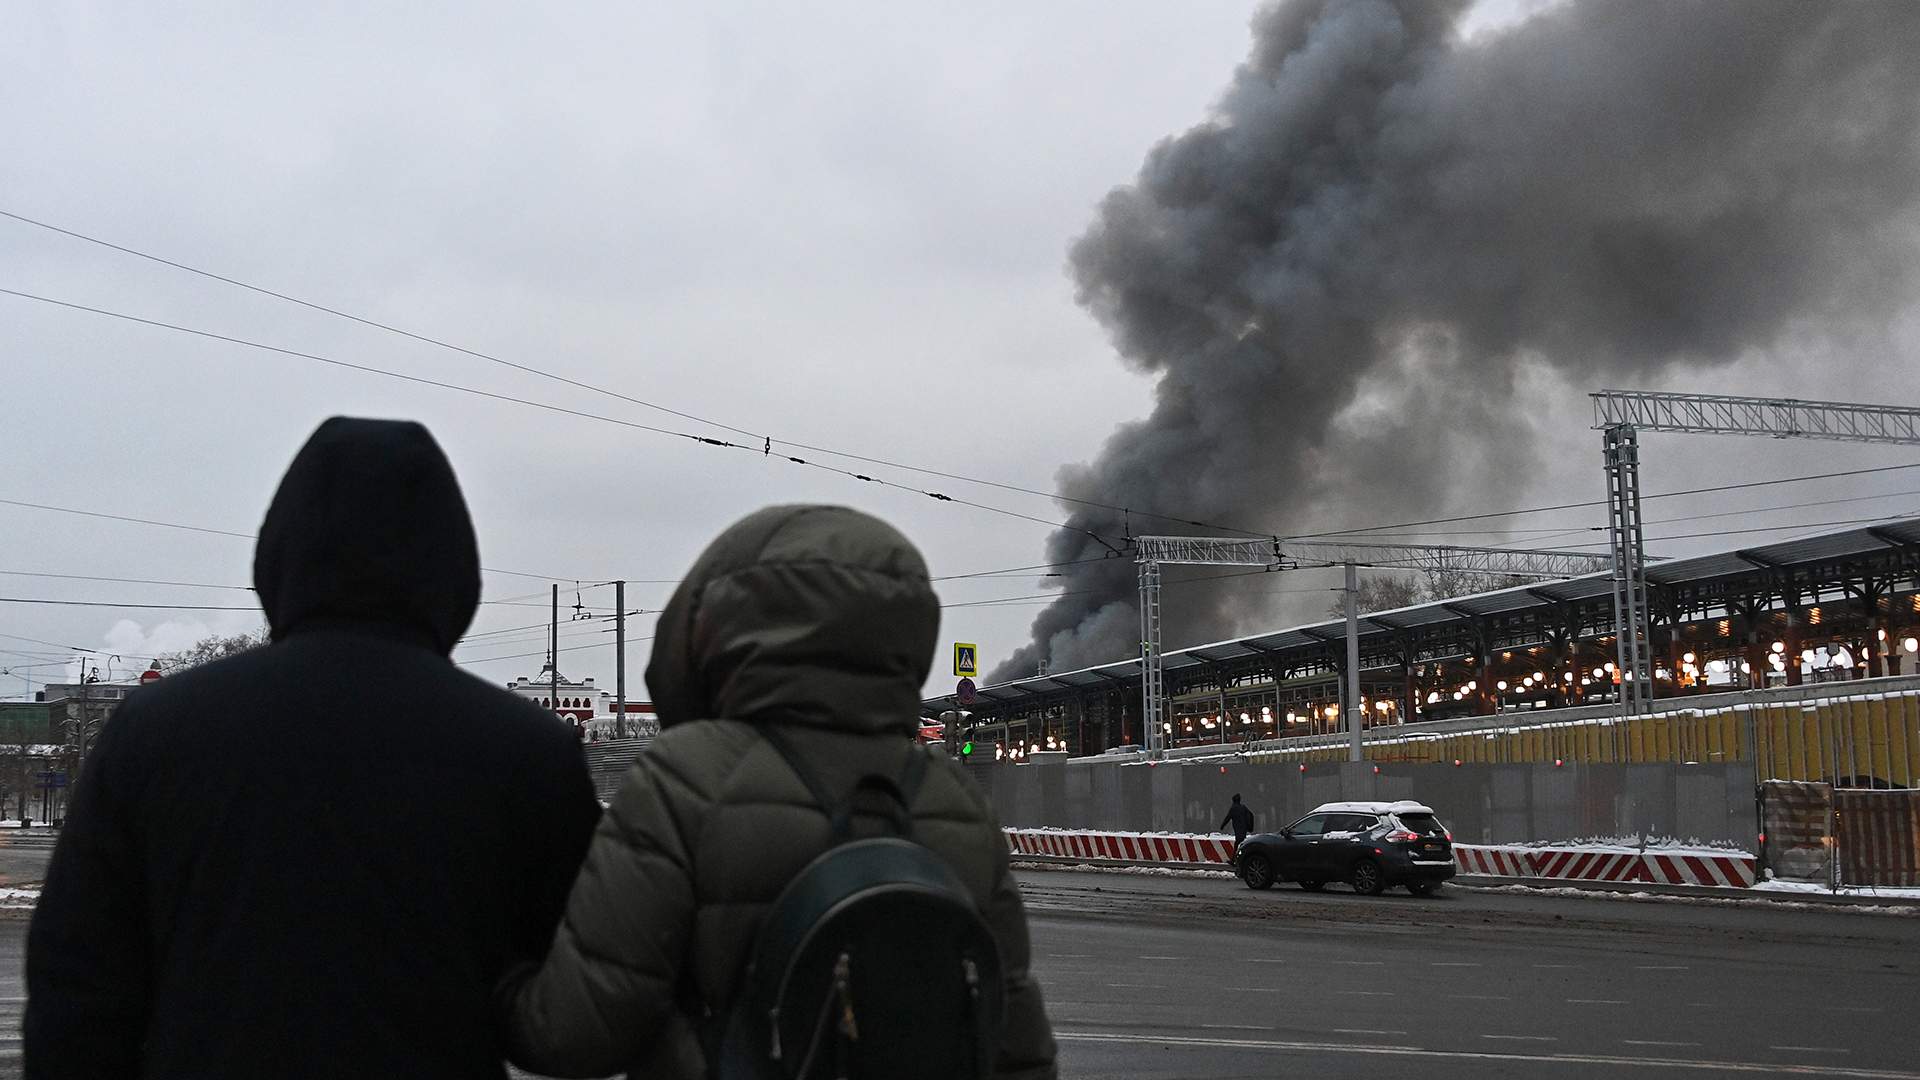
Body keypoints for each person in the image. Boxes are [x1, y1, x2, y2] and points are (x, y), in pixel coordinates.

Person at [25, 417, 602, 1079]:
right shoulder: (529, 752)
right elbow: (571, 1005)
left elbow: (77, 987)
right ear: (453, 567)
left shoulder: (153, 731)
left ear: (279, 554)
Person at [499, 504, 1057, 1079]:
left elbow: (578, 1030)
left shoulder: (685, 778)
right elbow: (1015, 1046)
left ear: (723, 625)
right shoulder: (955, 800)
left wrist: (484, 984)